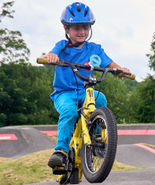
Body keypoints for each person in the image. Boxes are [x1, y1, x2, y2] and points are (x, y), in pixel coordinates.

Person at [44, 2, 130, 169]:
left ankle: (97, 139)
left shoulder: (95, 49)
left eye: (85, 27)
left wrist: (120, 70)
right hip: (64, 93)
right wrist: (52, 56)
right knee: (68, 111)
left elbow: (110, 63)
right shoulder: (62, 46)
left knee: (100, 99)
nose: (82, 31)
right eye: (76, 28)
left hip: (86, 91)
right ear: (66, 28)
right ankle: (60, 152)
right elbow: (53, 52)